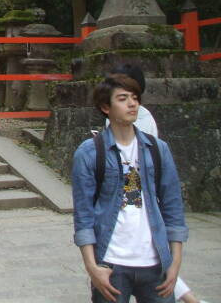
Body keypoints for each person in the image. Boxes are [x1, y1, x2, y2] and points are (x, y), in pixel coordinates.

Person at [72, 75, 188, 303]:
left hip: (155, 264)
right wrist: (92, 268)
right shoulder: (89, 153)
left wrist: (175, 262)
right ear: (106, 107)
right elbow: (83, 214)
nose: (132, 104)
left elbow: (173, 206)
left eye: (135, 98)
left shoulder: (158, 149)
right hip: (111, 263)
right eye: (123, 98)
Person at [108, 65, 206, 303]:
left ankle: (189, 298)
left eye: (131, 94)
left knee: (153, 256)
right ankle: (190, 299)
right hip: (126, 201)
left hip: (139, 195)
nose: (128, 100)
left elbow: (136, 167)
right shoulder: (116, 117)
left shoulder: (142, 119)